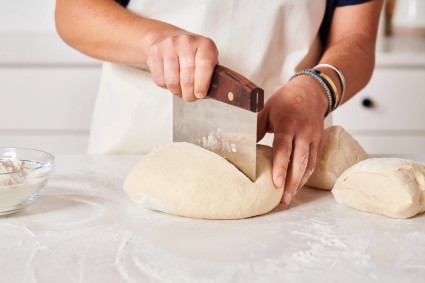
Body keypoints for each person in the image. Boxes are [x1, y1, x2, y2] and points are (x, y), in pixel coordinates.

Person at [55, 0, 383, 204]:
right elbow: (73, 9)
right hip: (133, 146)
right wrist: (153, 40)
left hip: (285, 151)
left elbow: (356, 37)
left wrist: (318, 86)